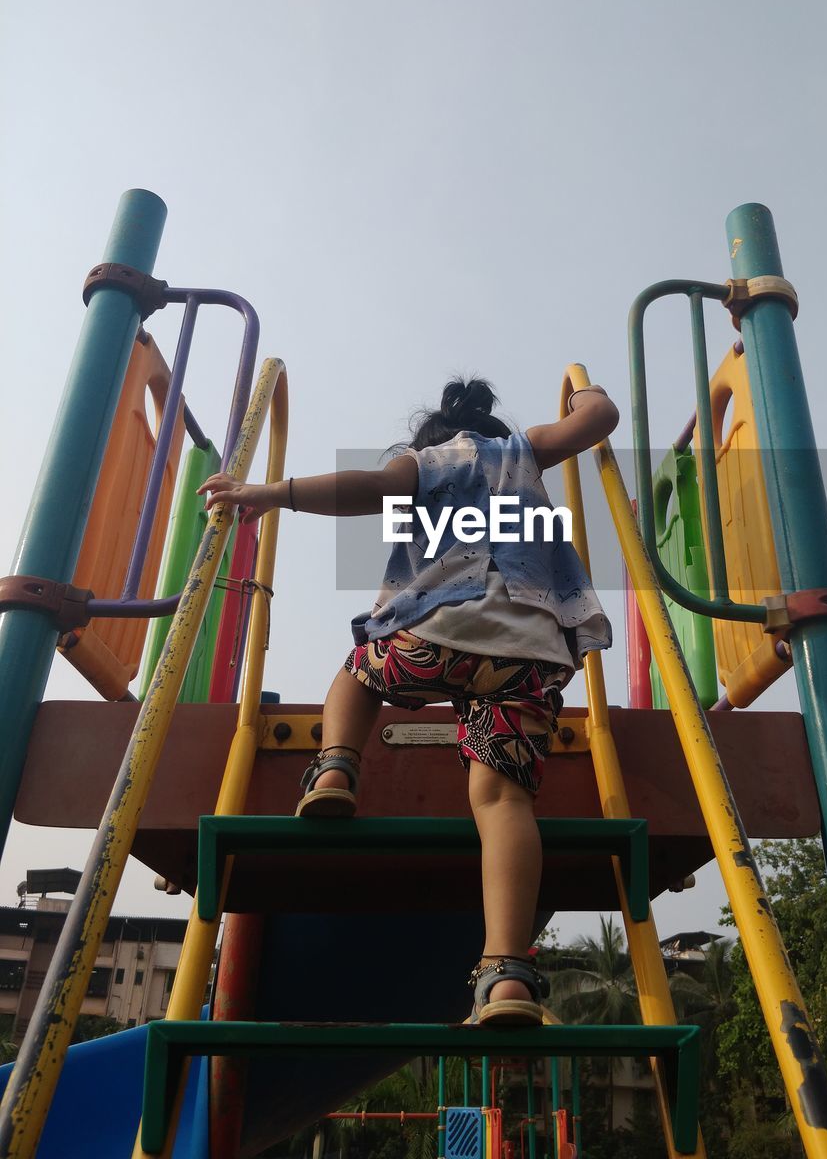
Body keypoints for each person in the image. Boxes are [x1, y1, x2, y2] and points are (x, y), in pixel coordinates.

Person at [198, 377, 617, 1024]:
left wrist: (270, 494)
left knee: (360, 670)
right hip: (530, 654)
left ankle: (336, 766)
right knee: (504, 800)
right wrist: (586, 397)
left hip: (436, 635)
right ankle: (506, 973)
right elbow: (599, 420)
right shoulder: (523, 451)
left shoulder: (426, 463)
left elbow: (363, 491)